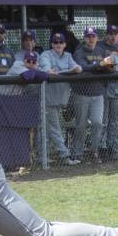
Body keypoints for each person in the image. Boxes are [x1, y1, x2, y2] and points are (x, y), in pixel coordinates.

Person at [39, 32, 83, 166]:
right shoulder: (46, 55)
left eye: (61, 42)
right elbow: (47, 71)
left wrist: (72, 69)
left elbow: (78, 68)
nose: (58, 45)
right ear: (52, 44)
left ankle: (41, 157)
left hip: (60, 98)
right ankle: (65, 156)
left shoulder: (68, 56)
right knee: (54, 128)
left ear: (65, 44)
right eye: (55, 42)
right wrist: (68, 71)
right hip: (48, 98)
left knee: (46, 128)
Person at [72, 26, 114, 161]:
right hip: (82, 93)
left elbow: (109, 69)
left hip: (98, 93)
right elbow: (82, 67)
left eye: (93, 36)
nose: (91, 39)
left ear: (97, 38)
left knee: (97, 123)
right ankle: (78, 152)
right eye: (88, 36)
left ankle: (94, 151)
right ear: (84, 38)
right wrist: (99, 66)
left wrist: (104, 66)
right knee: (81, 125)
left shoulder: (101, 51)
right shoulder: (79, 52)